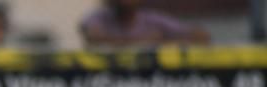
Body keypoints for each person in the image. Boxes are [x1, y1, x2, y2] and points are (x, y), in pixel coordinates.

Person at [80, 0, 209, 46]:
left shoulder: (153, 19)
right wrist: (149, 41)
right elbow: (92, 37)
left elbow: (201, 36)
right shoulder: (101, 16)